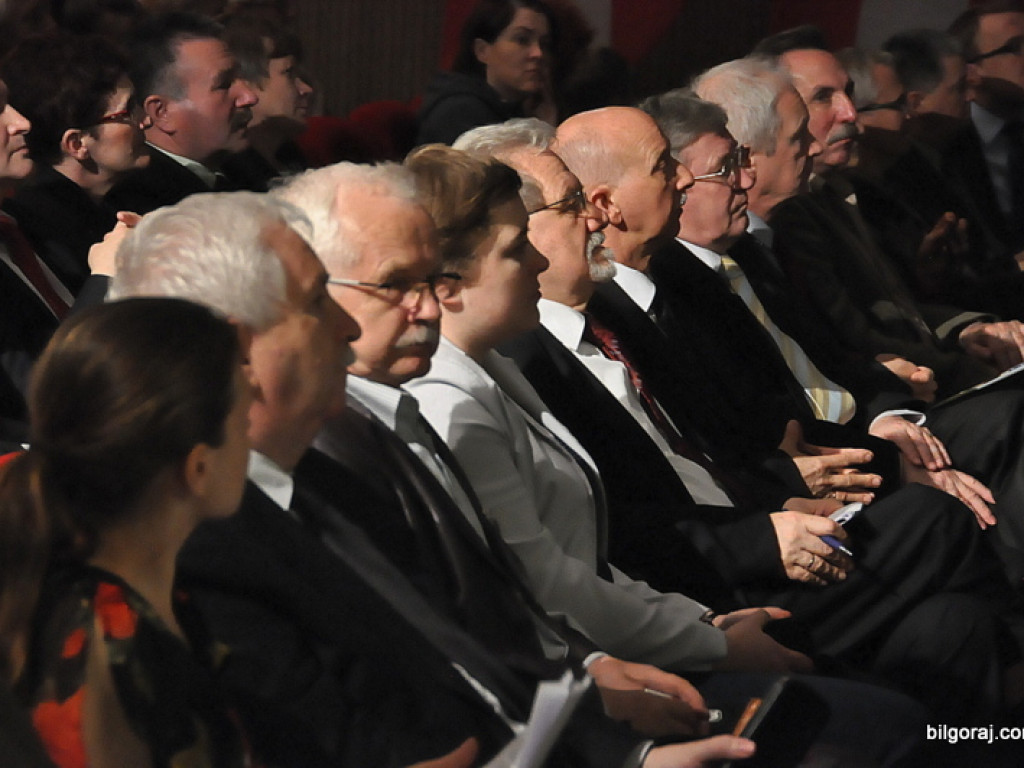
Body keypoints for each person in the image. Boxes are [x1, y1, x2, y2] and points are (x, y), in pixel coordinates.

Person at [0, 297, 253, 768]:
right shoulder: (112, 644)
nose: (252, 440)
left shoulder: (120, 592)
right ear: (198, 467)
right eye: (243, 421)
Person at [1, 32, 150, 295]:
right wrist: (110, 274)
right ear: (77, 144)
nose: (145, 120)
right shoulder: (39, 225)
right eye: (128, 111)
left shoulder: (124, 199)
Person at [104, 11, 258, 215]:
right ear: (162, 112)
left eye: (241, 78)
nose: (249, 96)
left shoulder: (246, 171)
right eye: (224, 84)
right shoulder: (145, 207)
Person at [416, 0, 557, 146]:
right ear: (482, 51)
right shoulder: (459, 112)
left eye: (545, 44)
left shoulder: (521, 110)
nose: (538, 53)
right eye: (522, 40)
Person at [220, 10, 312, 191]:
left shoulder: (289, 154)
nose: (306, 89)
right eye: (288, 73)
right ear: (243, 82)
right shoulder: (230, 176)